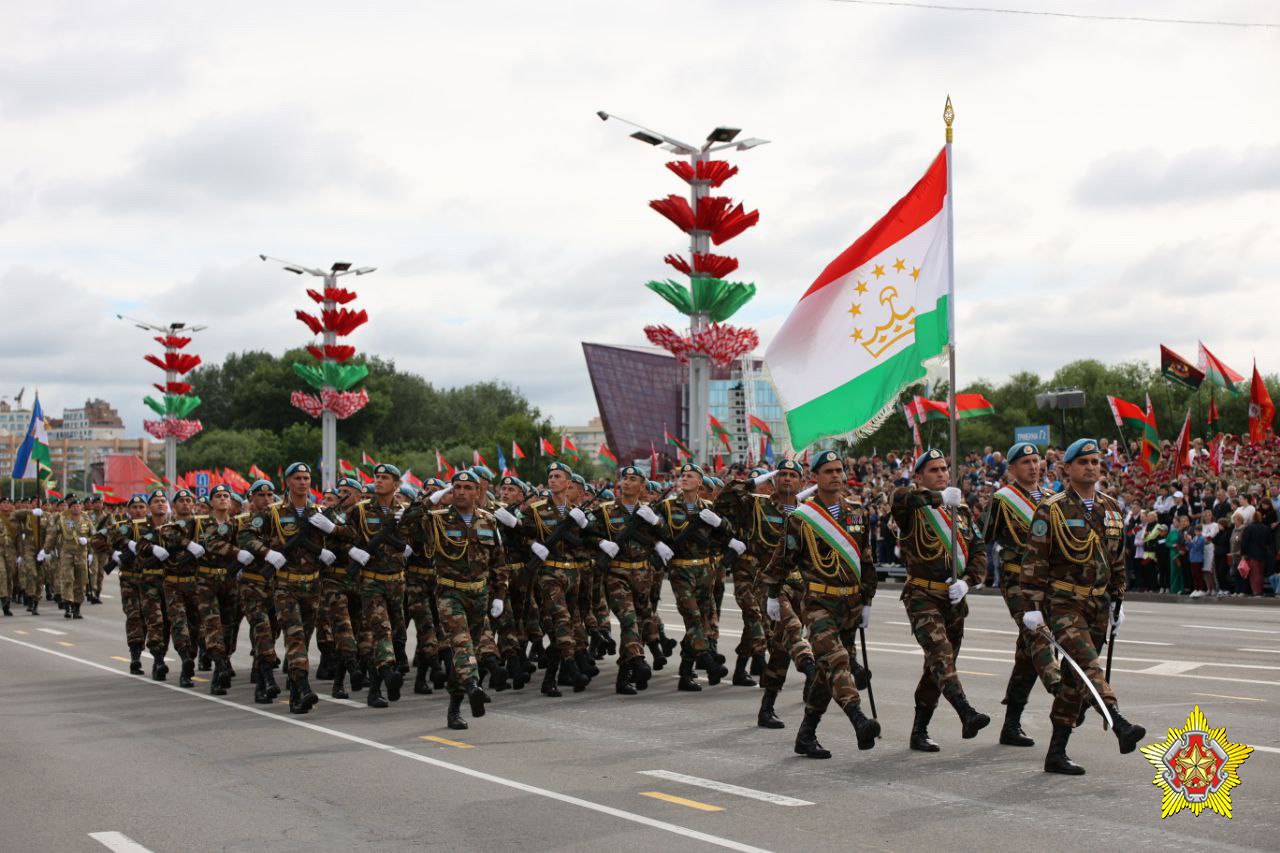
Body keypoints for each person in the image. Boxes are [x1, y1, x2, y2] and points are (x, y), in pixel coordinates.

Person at [1021, 438, 1146, 775]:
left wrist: (1119, 601)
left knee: (1076, 680)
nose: (1092, 467)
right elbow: (1035, 560)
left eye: (1096, 461)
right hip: (1064, 602)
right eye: (1084, 462)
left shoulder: (1111, 507)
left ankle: (1056, 753)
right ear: (1068, 469)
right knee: (1087, 664)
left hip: (1099, 604)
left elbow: (1117, 559)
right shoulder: (1053, 508)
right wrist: (1032, 606)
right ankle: (1117, 721)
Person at [766, 451, 879, 759]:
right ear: (815, 477)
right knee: (837, 660)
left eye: (839, 470)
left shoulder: (857, 513)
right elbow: (783, 559)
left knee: (825, 674)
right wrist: (773, 594)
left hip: (851, 603)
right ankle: (859, 719)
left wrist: (867, 600)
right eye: (828, 471)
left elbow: (866, 559)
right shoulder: (802, 518)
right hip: (818, 602)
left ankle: (806, 735)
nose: (836, 475)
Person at [892, 449, 990, 752]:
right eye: (933, 470)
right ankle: (966, 711)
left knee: (936, 667)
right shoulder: (910, 505)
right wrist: (938, 498)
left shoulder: (958, 510)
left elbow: (978, 549)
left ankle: (919, 729)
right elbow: (904, 499)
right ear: (919, 476)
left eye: (944, 469)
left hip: (953, 598)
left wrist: (967, 582)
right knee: (941, 654)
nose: (941, 474)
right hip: (923, 595)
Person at [980, 442, 1062, 749]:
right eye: (1025, 462)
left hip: (1048, 580)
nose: (1032, 466)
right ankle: (1059, 686)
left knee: (1027, 655)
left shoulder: (1053, 498)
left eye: (1035, 460)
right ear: (1012, 468)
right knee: (1038, 633)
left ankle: (1011, 725)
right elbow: (981, 536)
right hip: (1016, 578)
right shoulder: (1003, 500)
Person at [240, 463, 337, 713]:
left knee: (304, 638)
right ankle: (304, 687)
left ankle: (295, 691)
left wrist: (332, 530)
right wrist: (267, 553)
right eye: (297, 478)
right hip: (286, 586)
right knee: (294, 637)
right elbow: (246, 535)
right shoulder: (272, 512)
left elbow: (350, 535)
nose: (303, 482)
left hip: (313, 585)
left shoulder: (320, 512)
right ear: (288, 482)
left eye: (306, 478)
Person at [422, 469, 507, 729]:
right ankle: (473, 686)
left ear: (478, 492)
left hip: (479, 594)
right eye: (456, 487)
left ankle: (454, 708)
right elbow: (408, 521)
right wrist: (431, 498)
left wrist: (499, 595)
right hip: (450, 592)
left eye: (467, 487)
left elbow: (499, 562)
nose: (461, 492)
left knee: (467, 653)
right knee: (462, 644)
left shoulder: (488, 521)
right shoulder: (437, 519)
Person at [588, 465, 668, 695]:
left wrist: (656, 522)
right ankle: (639, 661)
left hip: (644, 575)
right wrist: (602, 543)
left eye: (633, 479)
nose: (627, 482)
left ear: (642, 486)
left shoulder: (649, 512)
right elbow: (586, 533)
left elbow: (666, 535)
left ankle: (624, 678)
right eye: (625, 478)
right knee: (628, 619)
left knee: (641, 623)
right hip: (617, 574)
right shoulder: (605, 511)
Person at [656, 463, 736, 691]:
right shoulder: (668, 506)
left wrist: (719, 523)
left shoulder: (709, 507)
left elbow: (728, 532)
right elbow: (651, 531)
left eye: (690, 476)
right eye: (682, 475)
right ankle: (709, 663)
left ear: (700, 482)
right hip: (681, 570)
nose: (684, 478)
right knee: (692, 618)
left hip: (705, 571)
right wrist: (658, 543)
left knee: (703, 622)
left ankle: (685, 673)